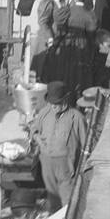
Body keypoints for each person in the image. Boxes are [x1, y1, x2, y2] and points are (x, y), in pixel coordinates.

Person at [28, 81, 86, 210]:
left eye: (57, 103)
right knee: (52, 197)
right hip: (46, 163)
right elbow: (34, 129)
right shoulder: (45, 112)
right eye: (51, 102)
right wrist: (38, 139)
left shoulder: (77, 118)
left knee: (67, 201)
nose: (53, 106)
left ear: (65, 100)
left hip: (66, 166)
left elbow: (86, 146)